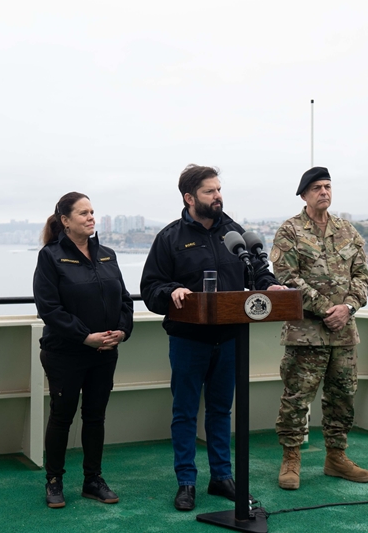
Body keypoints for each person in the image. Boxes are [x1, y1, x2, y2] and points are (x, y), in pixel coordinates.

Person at [140, 164, 286, 511]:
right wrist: (172, 290)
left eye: (219, 189)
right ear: (190, 198)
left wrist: (270, 286)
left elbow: (257, 273)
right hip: (189, 339)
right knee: (185, 412)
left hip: (232, 337)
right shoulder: (170, 237)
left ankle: (221, 477)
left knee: (221, 410)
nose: (218, 196)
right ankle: (186, 482)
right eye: (210, 191)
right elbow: (150, 288)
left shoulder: (235, 234)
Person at [269, 167, 368, 490]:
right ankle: (291, 458)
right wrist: (328, 308)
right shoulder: (290, 231)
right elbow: (287, 276)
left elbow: (362, 277)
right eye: (316, 187)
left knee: (342, 397)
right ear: (304, 194)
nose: (324, 192)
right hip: (306, 334)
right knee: (297, 398)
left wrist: (349, 307)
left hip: (343, 334)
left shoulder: (348, 232)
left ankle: (336, 457)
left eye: (327, 186)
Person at [33, 192, 133, 509]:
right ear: (65, 221)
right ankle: (54, 482)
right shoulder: (50, 257)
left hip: (104, 352)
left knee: (94, 417)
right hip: (65, 353)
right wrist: (84, 336)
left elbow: (125, 300)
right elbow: (49, 308)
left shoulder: (108, 254)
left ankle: (93, 480)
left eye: (92, 212)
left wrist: (122, 330)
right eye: (83, 213)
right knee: (62, 417)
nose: (91, 217)